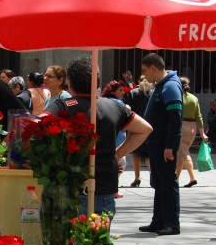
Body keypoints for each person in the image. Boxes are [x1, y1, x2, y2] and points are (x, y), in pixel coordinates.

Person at [45, 56, 152, 215]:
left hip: (69, 186)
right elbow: (145, 128)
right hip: (104, 187)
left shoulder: (62, 106)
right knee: (99, 237)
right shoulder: (114, 106)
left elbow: (40, 126)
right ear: (97, 81)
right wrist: (117, 154)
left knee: (72, 239)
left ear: (70, 83)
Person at [138, 54, 183, 235]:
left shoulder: (171, 86)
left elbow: (175, 117)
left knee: (167, 182)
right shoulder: (162, 86)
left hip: (164, 144)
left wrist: (170, 146)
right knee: (159, 183)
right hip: (156, 144)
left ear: (153, 68)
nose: (143, 75)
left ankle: (172, 223)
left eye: (144, 71)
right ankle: (158, 220)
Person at [175, 76, 207, 188]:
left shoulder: (178, 98)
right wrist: (202, 133)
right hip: (192, 127)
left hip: (182, 126)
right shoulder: (194, 98)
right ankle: (176, 178)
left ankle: (192, 177)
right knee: (182, 152)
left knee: (183, 152)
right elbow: (199, 116)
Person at [124, 77, 153, 186]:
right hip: (149, 125)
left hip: (135, 125)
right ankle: (152, 176)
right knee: (148, 154)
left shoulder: (133, 92)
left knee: (135, 152)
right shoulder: (152, 92)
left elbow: (128, 108)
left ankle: (137, 177)